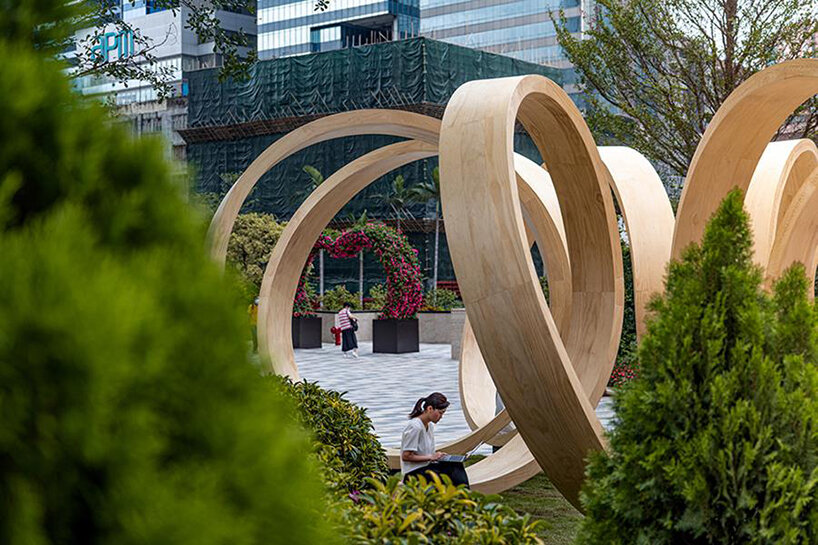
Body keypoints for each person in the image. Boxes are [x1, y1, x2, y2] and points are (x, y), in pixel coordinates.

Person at [400, 392, 469, 487]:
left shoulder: (429, 426)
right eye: (440, 413)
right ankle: (462, 496)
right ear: (429, 409)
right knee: (449, 475)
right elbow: (406, 456)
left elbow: (425, 453)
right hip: (414, 473)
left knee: (455, 465)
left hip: (427, 467)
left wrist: (438, 456)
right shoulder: (415, 427)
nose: (441, 417)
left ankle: (464, 495)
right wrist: (431, 457)